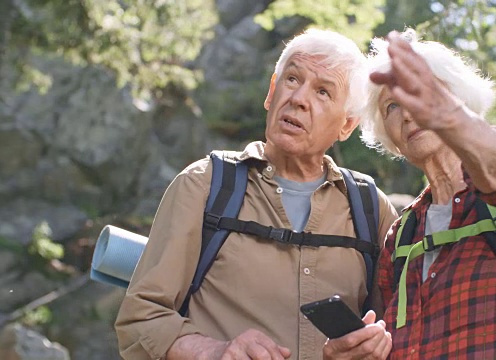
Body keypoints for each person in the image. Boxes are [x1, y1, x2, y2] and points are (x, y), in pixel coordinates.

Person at [114, 29, 397, 360]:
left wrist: (375, 346)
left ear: (347, 125)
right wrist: (216, 351)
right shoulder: (205, 185)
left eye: (323, 92)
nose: (299, 99)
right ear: (271, 93)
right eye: (292, 80)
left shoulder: (369, 208)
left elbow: (398, 329)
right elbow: (140, 320)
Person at [354, 29, 496, 359]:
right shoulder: (401, 236)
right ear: (391, 138)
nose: (409, 112)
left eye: (420, 93)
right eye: (392, 106)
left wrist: (449, 117)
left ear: (460, 101)